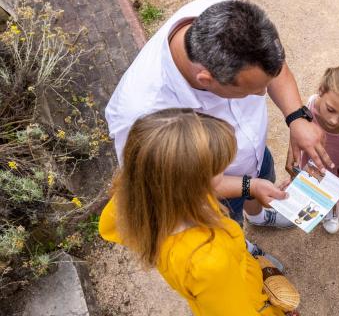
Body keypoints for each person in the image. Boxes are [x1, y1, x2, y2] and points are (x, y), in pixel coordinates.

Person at [105, 0, 334, 266]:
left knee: (264, 179)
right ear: (207, 80)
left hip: (256, 156)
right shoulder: (141, 115)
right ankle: (241, 246)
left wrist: (296, 118)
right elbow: (173, 187)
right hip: (215, 192)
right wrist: (248, 186)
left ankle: (258, 216)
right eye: (251, 90)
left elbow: (275, 69)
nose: (263, 93)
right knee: (230, 224)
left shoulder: (227, 12)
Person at [99, 108, 287, 315]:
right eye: (219, 170)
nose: (225, 173)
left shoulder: (140, 198)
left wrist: (251, 187)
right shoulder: (210, 260)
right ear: (191, 186)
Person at [285, 64, 339, 233]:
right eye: (331, 110)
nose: (334, 120)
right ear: (321, 90)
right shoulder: (309, 109)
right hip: (315, 164)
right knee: (320, 192)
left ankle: (334, 206)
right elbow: (297, 132)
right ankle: (327, 208)